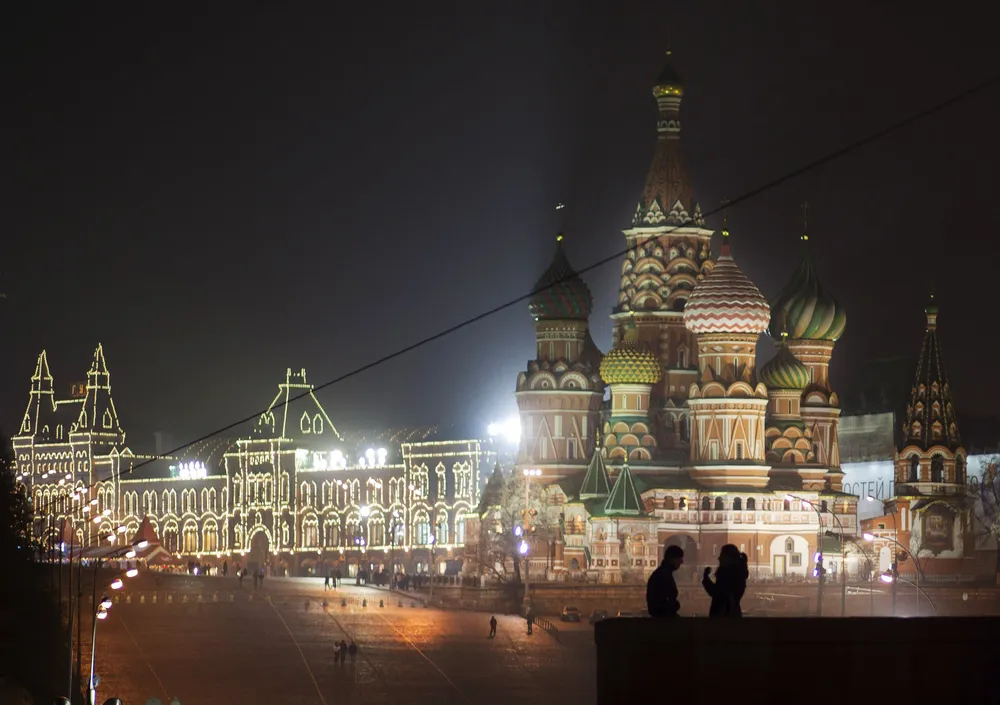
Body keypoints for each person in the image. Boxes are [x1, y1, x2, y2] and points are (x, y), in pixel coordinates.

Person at [702, 544, 749, 617]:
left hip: (723, 614)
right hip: (731, 613)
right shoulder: (737, 573)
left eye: (722, 555)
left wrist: (706, 579)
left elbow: (717, 593)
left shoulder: (727, 575)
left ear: (728, 558)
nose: (719, 558)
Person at [647, 545, 684, 617]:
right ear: (672, 559)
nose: (681, 562)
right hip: (663, 618)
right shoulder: (664, 575)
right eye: (680, 559)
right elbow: (667, 598)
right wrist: (675, 605)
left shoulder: (661, 573)